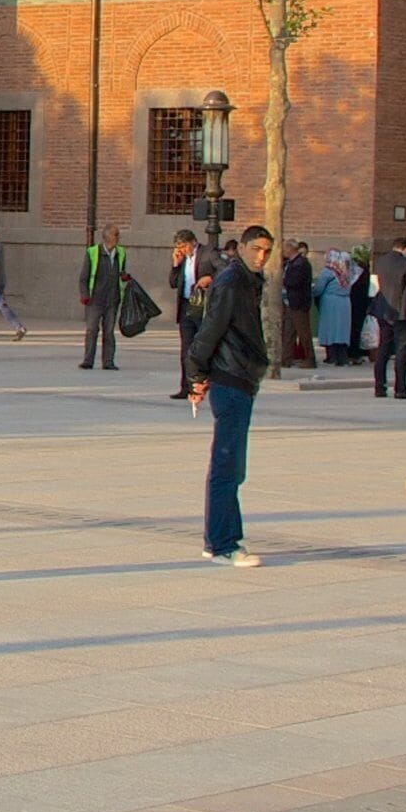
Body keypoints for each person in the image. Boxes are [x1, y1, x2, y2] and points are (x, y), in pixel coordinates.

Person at [186, 225, 273, 568]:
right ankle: (223, 543)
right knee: (227, 465)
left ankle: (219, 540)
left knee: (232, 466)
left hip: (241, 378)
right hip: (231, 379)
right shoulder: (232, 282)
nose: (261, 256)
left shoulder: (248, 282)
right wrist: (197, 374)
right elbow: (210, 330)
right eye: (256, 248)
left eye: (267, 250)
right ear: (243, 247)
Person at [370, 238, 406, 400]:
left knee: (383, 348)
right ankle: (400, 387)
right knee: (402, 349)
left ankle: (379, 387)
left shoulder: (380, 262)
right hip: (402, 310)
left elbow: (376, 284)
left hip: (383, 309)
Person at [164, 231, 206, 403]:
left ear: (193, 242)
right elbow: (173, 283)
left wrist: (209, 278)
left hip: (202, 306)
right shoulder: (182, 260)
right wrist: (175, 264)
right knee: (186, 350)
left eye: (183, 246)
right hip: (186, 306)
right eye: (178, 247)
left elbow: (223, 271)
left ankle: (202, 384)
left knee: (203, 348)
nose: (181, 250)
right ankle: (186, 387)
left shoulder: (207, 253)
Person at [77, 228, 127, 370]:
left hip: (112, 298)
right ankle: (88, 360)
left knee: (109, 331)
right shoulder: (93, 252)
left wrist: (124, 277)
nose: (118, 237)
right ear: (107, 237)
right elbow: (83, 277)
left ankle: (108, 361)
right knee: (92, 330)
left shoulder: (121, 253)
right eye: (116, 234)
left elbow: (122, 271)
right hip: (95, 299)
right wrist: (85, 295)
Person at [278, 240, 316, 369]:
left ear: (290, 249)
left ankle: (310, 359)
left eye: (284, 249)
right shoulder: (291, 263)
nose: (283, 252)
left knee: (303, 333)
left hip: (299, 303)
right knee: (288, 332)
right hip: (290, 302)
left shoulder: (301, 263)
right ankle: (285, 359)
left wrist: (283, 280)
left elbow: (294, 281)